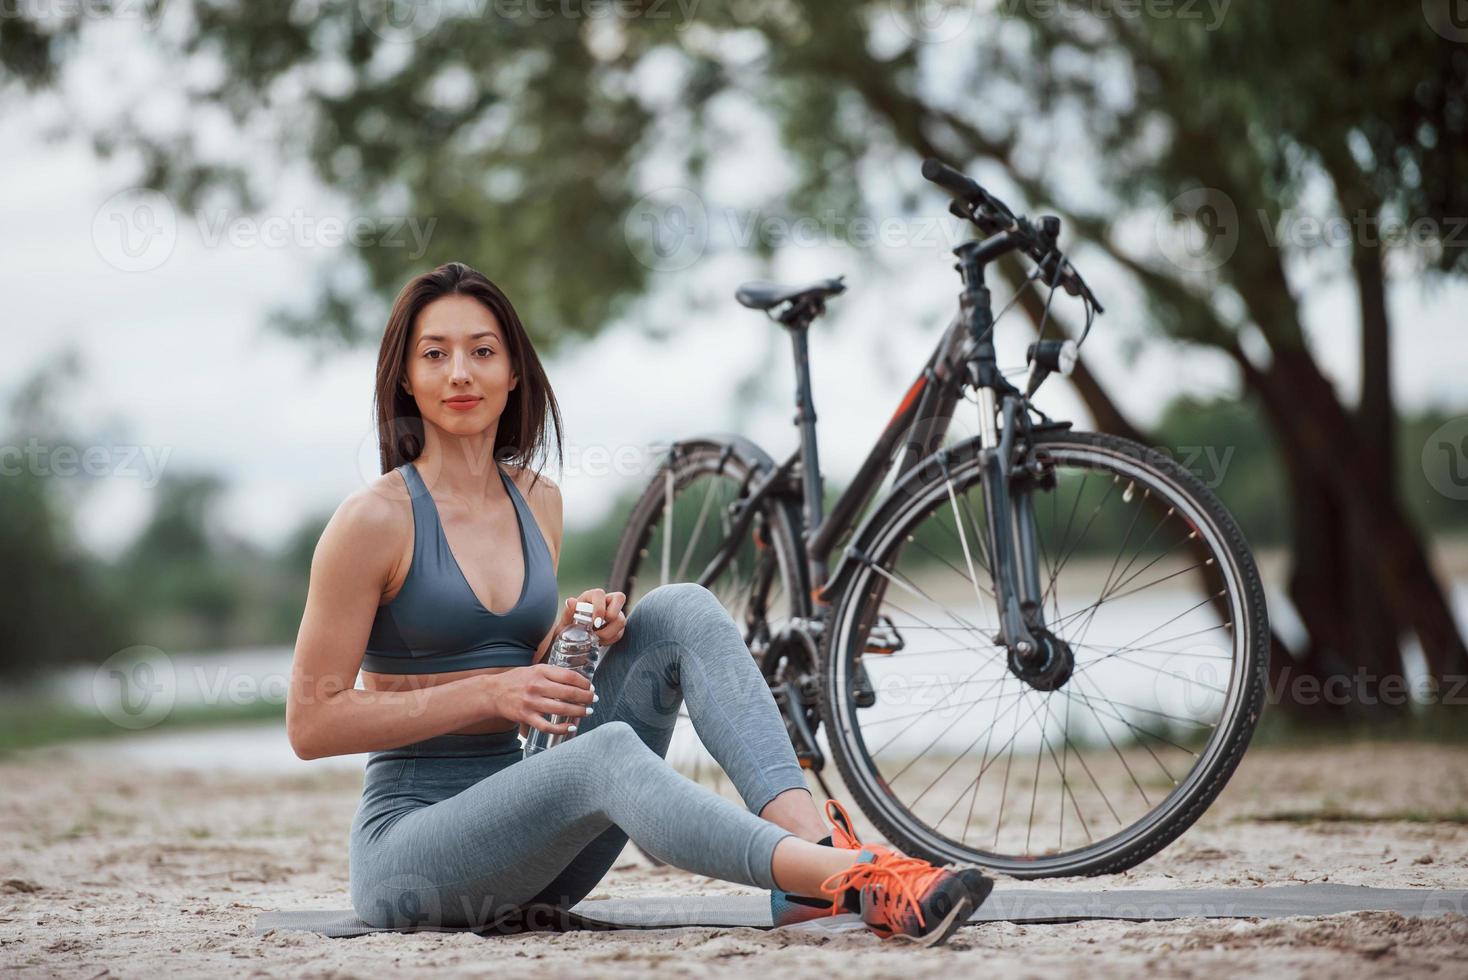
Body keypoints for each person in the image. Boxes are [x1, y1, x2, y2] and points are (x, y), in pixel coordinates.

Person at [286, 261, 994, 947]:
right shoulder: (373, 520)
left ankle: (808, 858)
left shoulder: (538, 501)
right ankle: (855, 877)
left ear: (514, 373)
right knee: (607, 754)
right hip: (412, 851)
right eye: (435, 355)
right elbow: (312, 723)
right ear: (406, 379)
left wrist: (572, 638)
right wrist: (494, 691)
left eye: (482, 351)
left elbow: (516, 671)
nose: (461, 373)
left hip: (535, 845)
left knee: (679, 608)